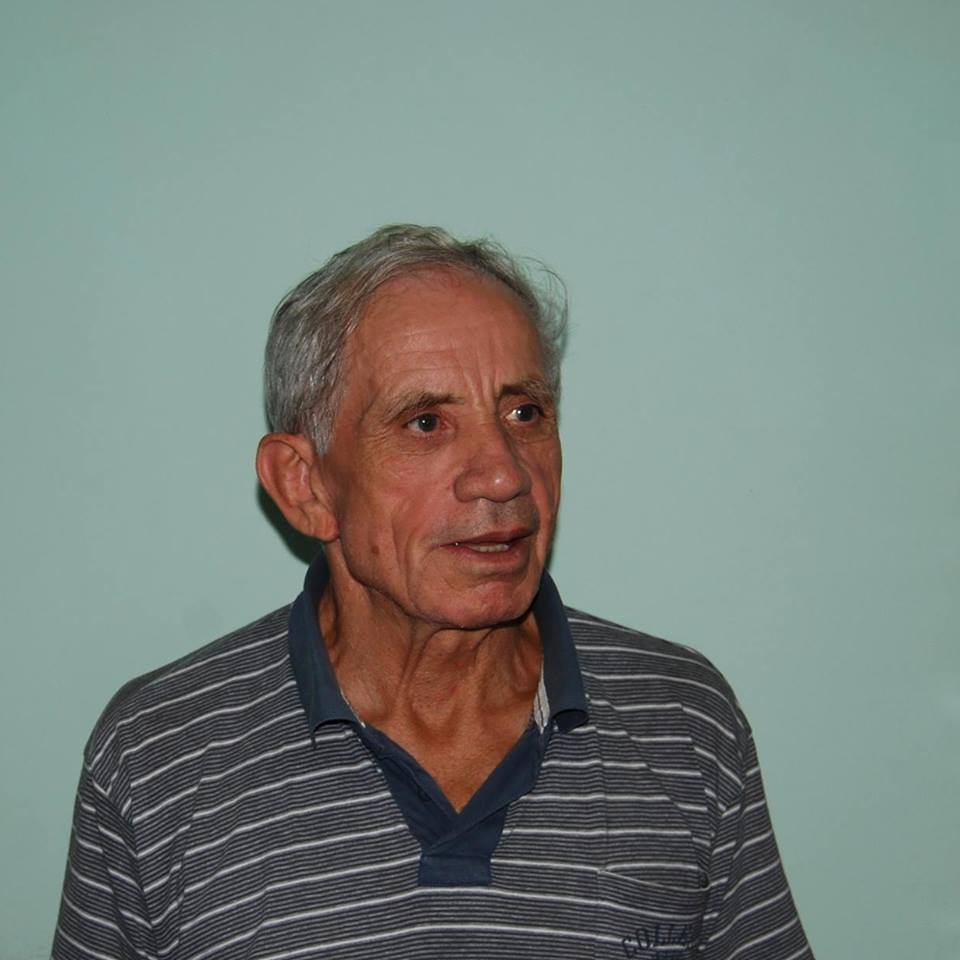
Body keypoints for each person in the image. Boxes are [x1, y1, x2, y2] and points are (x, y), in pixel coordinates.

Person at [53, 225, 814, 959]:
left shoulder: (682, 724)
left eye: (524, 412)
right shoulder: (159, 756)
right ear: (306, 485)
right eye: (425, 422)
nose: (505, 474)